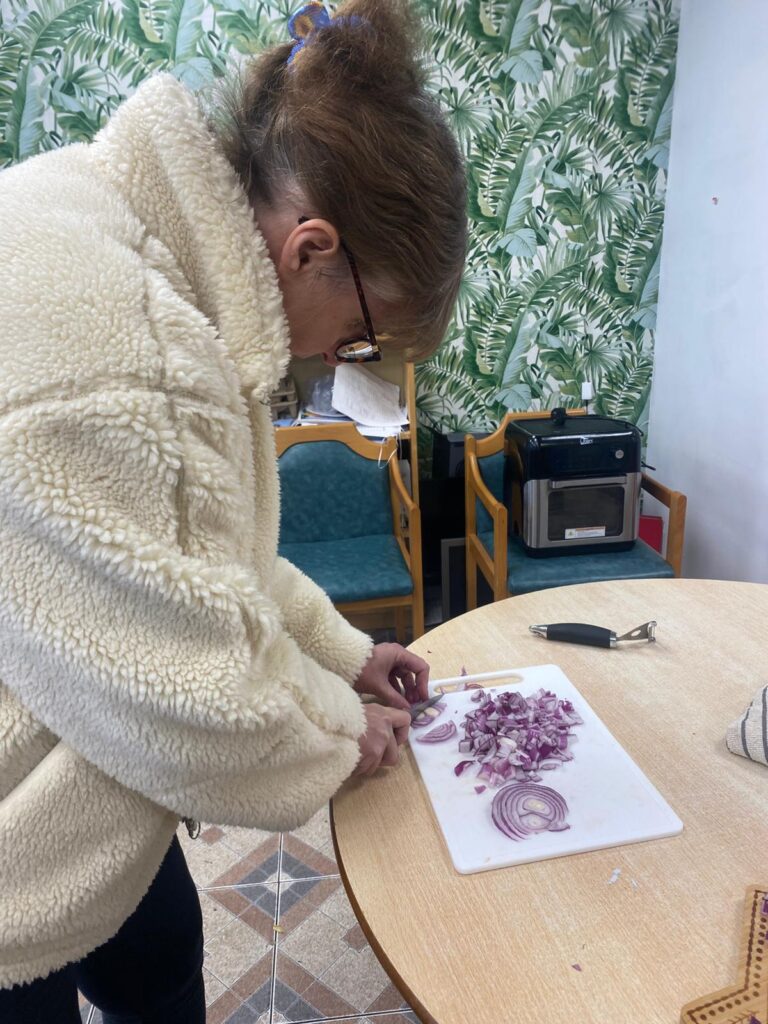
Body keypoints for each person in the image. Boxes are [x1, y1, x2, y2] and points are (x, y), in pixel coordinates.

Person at [0, 0, 467, 1019]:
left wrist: (344, 653)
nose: (329, 360)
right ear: (310, 248)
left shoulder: (124, 228)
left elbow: (203, 557)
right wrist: (345, 734)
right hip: (12, 855)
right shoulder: (133, 358)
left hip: (80, 761)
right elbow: (198, 713)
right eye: (358, 335)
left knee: (161, 961)